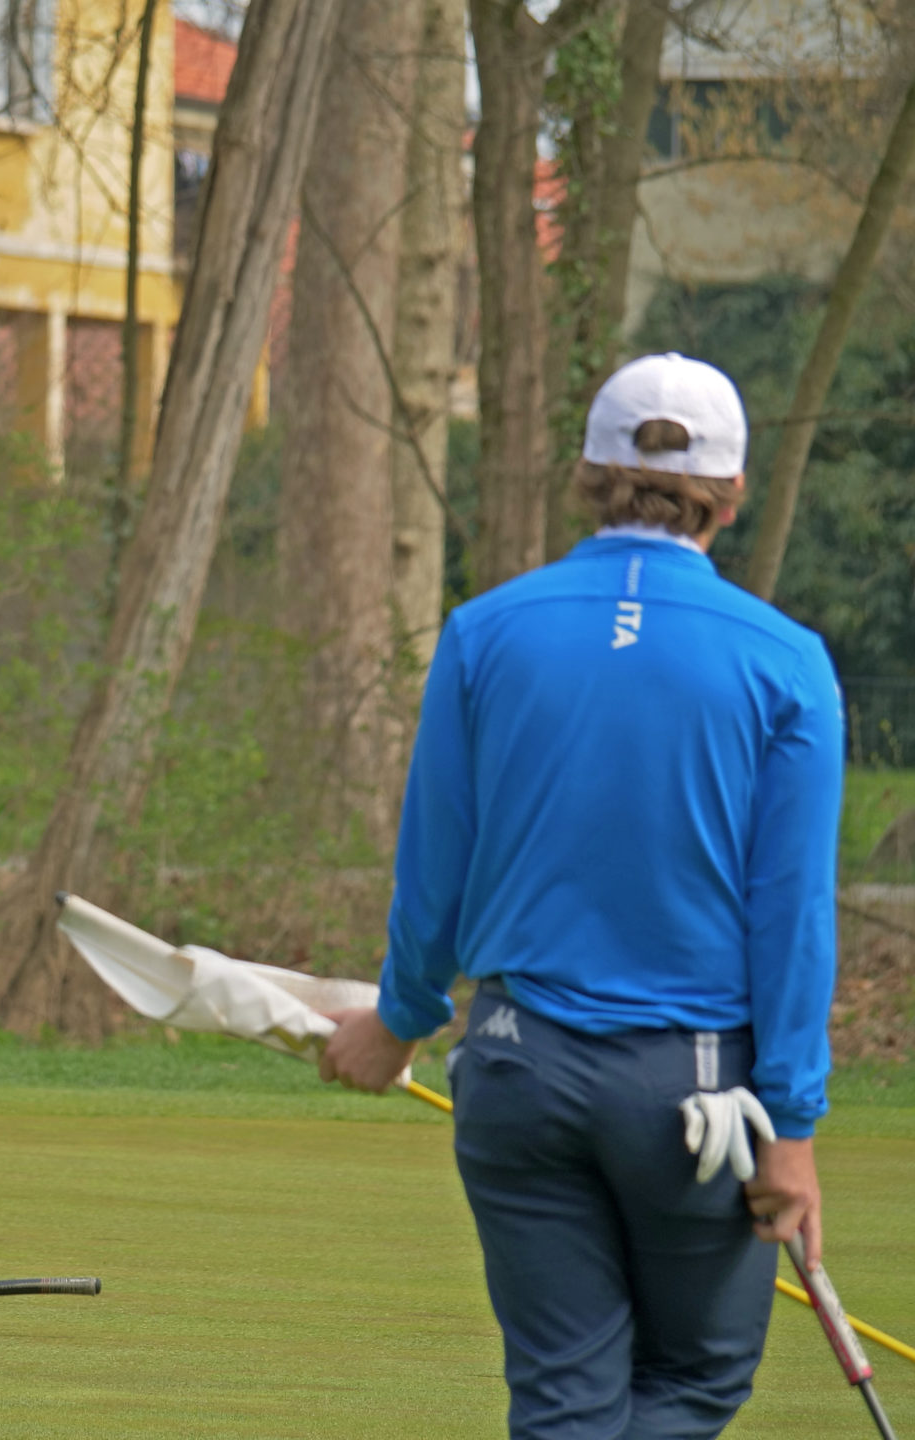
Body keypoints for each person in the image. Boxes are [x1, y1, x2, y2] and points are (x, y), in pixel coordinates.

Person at [321, 353, 843, 1438]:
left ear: (588, 475)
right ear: (732, 493)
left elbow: (436, 867)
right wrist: (791, 1122)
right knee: (694, 1378)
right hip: (696, 1093)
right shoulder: (787, 663)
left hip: (518, 1066)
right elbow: (790, 916)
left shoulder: (483, 631)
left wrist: (400, 1019)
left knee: (566, 1399)